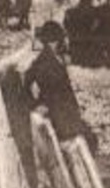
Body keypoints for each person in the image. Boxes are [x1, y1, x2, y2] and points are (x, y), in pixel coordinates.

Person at [27, 21, 98, 153]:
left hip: (63, 111)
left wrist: (36, 104)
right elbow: (30, 85)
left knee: (86, 142)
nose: (62, 42)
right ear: (55, 40)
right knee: (86, 143)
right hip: (59, 114)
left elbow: (27, 82)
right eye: (60, 39)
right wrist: (36, 105)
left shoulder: (47, 59)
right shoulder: (46, 61)